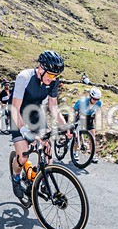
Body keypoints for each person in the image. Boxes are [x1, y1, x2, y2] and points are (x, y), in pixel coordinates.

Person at [9, 51, 72, 199]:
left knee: (47, 147)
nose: (53, 78)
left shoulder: (53, 81)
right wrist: (24, 131)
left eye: (56, 76)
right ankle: (16, 177)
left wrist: (65, 126)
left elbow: (53, 106)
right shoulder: (24, 77)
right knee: (23, 156)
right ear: (41, 68)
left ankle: (43, 180)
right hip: (17, 113)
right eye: (50, 74)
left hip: (35, 113)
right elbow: (15, 108)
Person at [73, 87, 103, 163]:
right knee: (79, 137)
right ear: (90, 96)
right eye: (94, 99)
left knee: (92, 138)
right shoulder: (82, 101)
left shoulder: (99, 103)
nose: (95, 101)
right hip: (81, 117)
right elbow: (74, 109)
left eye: (97, 99)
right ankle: (75, 152)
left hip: (89, 118)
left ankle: (92, 155)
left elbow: (97, 112)